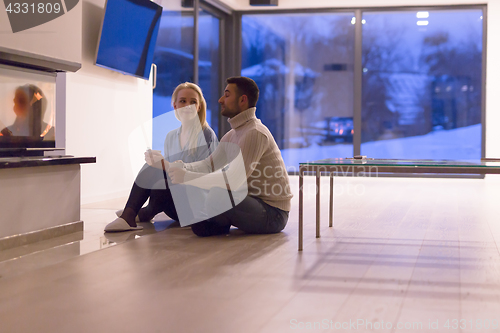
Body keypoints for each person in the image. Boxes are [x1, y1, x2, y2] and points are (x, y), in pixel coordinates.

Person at [133, 76, 292, 236]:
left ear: (243, 100)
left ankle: (217, 221)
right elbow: (208, 165)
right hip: (248, 202)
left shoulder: (254, 133)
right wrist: (178, 167)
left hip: (273, 213)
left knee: (218, 193)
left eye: (227, 95)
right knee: (200, 223)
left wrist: (187, 177)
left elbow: (233, 180)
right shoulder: (232, 135)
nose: (220, 100)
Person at [105, 82, 218, 231]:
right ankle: (143, 212)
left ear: (199, 107)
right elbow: (168, 175)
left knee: (154, 171)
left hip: (197, 207)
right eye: (183, 101)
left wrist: (164, 165)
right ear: (175, 105)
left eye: (193, 102)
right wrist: (158, 162)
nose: (188, 106)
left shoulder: (206, 135)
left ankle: (130, 215)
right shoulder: (171, 136)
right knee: (155, 171)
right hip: (176, 205)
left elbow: (206, 177)